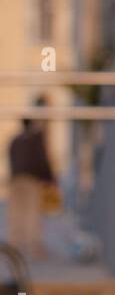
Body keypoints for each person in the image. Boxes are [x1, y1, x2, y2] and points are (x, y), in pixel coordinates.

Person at [7, 97, 56, 261]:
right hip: (30, 181)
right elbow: (42, 159)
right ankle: (34, 249)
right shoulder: (35, 139)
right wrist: (50, 178)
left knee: (16, 214)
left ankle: (15, 248)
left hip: (15, 180)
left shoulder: (15, 140)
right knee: (32, 214)